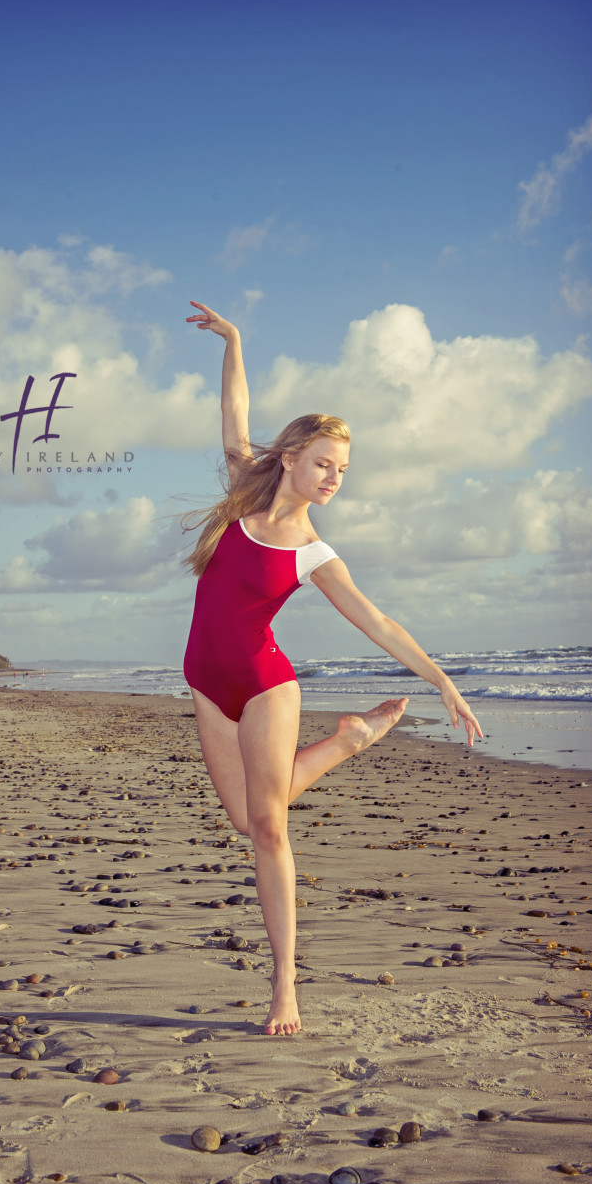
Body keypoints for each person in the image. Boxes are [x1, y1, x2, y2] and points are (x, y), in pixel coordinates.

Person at [182, 301, 482, 1037]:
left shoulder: (312, 552)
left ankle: (284, 987)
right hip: (204, 683)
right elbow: (234, 408)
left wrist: (440, 680)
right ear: (289, 457)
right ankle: (348, 741)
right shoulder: (239, 491)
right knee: (243, 817)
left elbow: (378, 621)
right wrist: (236, 341)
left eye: (342, 470)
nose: (333, 478)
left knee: (271, 830)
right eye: (324, 463)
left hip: (263, 685)